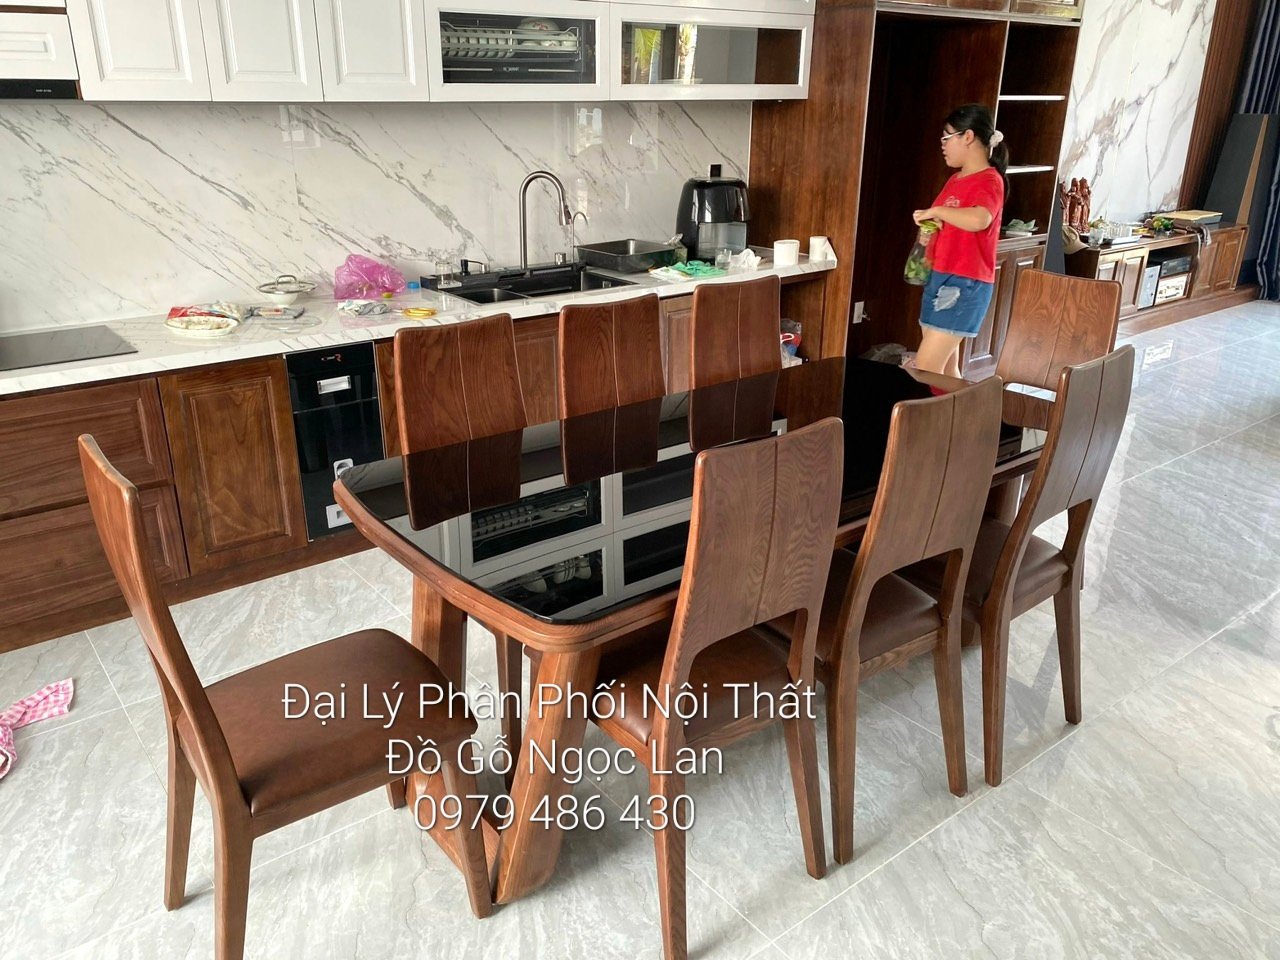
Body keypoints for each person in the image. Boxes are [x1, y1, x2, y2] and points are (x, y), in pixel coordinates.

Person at [911, 104, 1008, 378]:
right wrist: (930, 226)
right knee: (944, 370)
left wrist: (939, 211)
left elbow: (980, 219)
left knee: (926, 368)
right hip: (939, 276)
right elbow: (947, 221)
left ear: (967, 137)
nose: (943, 145)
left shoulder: (990, 180)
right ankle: (957, 409)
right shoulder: (955, 180)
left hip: (965, 284)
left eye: (947, 137)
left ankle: (934, 410)